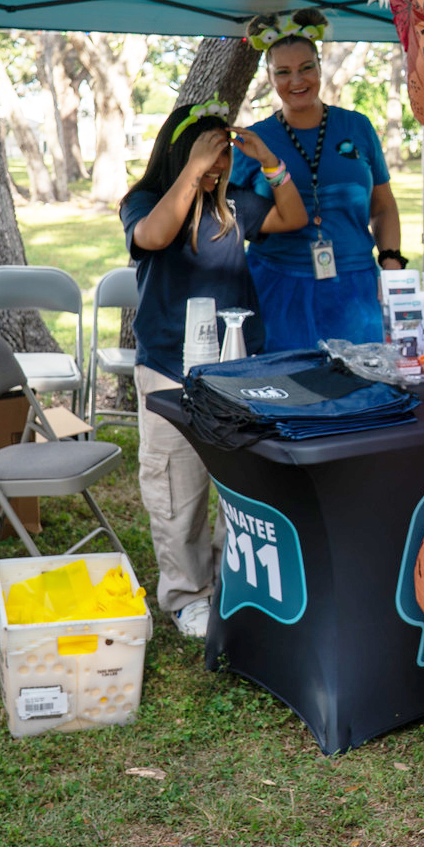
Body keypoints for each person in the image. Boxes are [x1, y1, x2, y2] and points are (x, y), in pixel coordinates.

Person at [120, 101, 307, 638]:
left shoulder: (234, 207)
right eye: (211, 154)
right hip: (167, 369)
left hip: (237, 367)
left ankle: (235, 583)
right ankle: (186, 595)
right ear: (181, 155)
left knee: (238, 480)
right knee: (176, 485)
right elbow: (154, 237)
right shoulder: (145, 202)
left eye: (224, 155)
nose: (220, 165)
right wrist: (192, 172)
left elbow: (292, 217)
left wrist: (270, 163)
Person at [235, 9, 408, 351]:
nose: (296, 81)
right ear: (270, 77)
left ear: (319, 66)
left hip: (355, 287)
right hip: (277, 285)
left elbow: (384, 207)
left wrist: (390, 262)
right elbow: (237, 220)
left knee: (362, 388)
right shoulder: (252, 141)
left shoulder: (357, 127)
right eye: (283, 72)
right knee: (288, 391)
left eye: (306, 68)